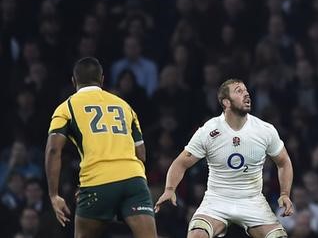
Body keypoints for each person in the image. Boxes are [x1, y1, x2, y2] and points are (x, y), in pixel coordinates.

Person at [154, 79, 294, 238]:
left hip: (252, 201)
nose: (246, 94)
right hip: (217, 200)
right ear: (226, 102)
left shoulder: (265, 130)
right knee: (197, 235)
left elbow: (284, 162)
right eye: (239, 91)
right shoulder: (209, 130)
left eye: (246, 90)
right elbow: (181, 163)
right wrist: (170, 189)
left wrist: (284, 193)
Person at [44, 57, 157, 237]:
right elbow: (141, 154)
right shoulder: (125, 106)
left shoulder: (66, 108)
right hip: (134, 180)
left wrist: (53, 195)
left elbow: (53, 150)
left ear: (73, 81)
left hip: (97, 182)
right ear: (102, 79)